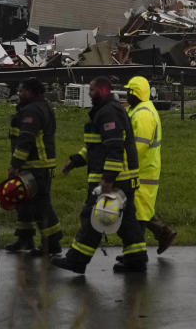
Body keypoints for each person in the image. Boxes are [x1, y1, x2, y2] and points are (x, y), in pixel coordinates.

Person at [53, 76, 148, 275]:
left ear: (104, 90)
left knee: (92, 217)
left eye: (93, 90)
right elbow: (95, 147)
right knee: (127, 222)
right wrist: (74, 161)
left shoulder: (108, 113)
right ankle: (136, 259)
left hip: (115, 180)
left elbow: (114, 148)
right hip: (122, 179)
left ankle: (76, 260)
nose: (89, 93)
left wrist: (108, 180)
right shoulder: (105, 111)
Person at [5, 78, 62, 256]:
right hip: (33, 165)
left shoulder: (32, 110)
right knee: (23, 203)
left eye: (22, 90)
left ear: (31, 91)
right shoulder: (39, 106)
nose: (20, 94)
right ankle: (25, 238)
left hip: (36, 167)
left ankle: (52, 243)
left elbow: (26, 139)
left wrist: (15, 165)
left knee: (40, 205)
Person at [122, 76, 176, 255]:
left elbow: (137, 146)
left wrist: (119, 162)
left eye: (128, 91)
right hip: (142, 169)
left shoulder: (144, 114)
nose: (126, 94)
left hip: (143, 170)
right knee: (141, 209)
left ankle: (136, 254)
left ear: (135, 93)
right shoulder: (138, 109)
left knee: (138, 213)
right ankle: (162, 234)